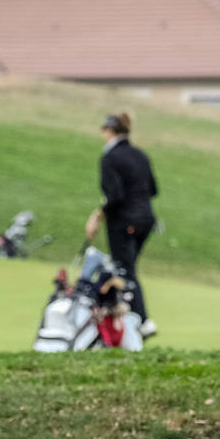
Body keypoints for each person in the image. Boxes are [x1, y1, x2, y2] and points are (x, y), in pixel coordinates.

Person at [85, 112, 158, 339]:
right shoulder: (141, 155)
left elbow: (114, 195)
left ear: (109, 130)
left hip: (124, 222)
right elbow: (153, 189)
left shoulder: (109, 158)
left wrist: (98, 216)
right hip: (146, 220)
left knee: (125, 271)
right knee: (128, 270)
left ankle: (143, 322)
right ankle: (131, 319)